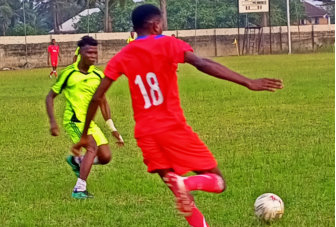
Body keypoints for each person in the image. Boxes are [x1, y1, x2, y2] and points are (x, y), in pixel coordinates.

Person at [73, 4, 283, 226]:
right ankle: (187, 183)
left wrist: (85, 133)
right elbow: (201, 63)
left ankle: (185, 188)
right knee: (218, 181)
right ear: (155, 25)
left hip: (145, 135)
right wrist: (248, 81)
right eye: (161, 22)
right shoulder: (168, 43)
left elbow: (97, 97)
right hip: (172, 128)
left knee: (182, 197)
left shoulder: (122, 56)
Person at [46, 36, 124, 199]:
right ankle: (79, 189)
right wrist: (53, 122)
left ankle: (77, 161)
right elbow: (50, 96)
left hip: (90, 123)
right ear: (80, 53)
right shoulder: (69, 73)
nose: (93, 56)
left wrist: (112, 128)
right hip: (74, 121)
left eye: (95, 53)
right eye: (89, 52)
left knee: (105, 157)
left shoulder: (97, 76)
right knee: (92, 146)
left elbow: (103, 102)